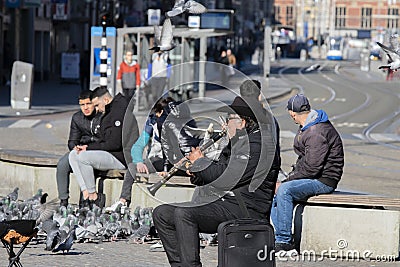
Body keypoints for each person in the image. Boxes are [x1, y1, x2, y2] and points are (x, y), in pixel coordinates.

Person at [153, 96, 280, 267]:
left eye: (229, 120)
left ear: (242, 122)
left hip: (245, 209)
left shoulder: (260, 146)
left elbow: (225, 175)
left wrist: (200, 162)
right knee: (162, 213)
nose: (225, 125)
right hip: (225, 203)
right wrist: (193, 169)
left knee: (185, 214)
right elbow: (215, 171)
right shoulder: (237, 143)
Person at [271, 94, 344, 255]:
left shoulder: (316, 132)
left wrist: (286, 181)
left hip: (324, 180)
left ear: (292, 113)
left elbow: (312, 167)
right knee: (273, 190)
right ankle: (278, 237)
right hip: (315, 176)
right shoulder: (309, 125)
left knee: (284, 190)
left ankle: (284, 242)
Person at [69, 87, 135, 209]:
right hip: (109, 152)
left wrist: (88, 148)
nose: (97, 109)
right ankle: (86, 194)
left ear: (105, 99)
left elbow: (115, 143)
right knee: (73, 155)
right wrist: (85, 147)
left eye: (97, 105)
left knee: (83, 157)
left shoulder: (119, 111)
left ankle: (95, 197)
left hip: (121, 156)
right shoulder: (110, 110)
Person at [106, 97, 175, 211]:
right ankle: (123, 201)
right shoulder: (152, 122)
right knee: (132, 167)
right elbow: (137, 146)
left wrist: (166, 169)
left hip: (174, 162)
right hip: (156, 160)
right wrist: (138, 161)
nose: (156, 116)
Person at [56, 90, 102, 207]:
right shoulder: (77, 118)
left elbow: (106, 140)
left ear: (94, 103)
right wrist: (74, 147)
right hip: (80, 150)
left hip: (97, 150)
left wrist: (89, 147)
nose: (85, 108)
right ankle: (63, 200)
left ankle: (85, 201)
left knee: (85, 163)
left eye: (88, 104)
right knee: (62, 164)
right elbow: (72, 141)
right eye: (82, 105)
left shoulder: (102, 116)